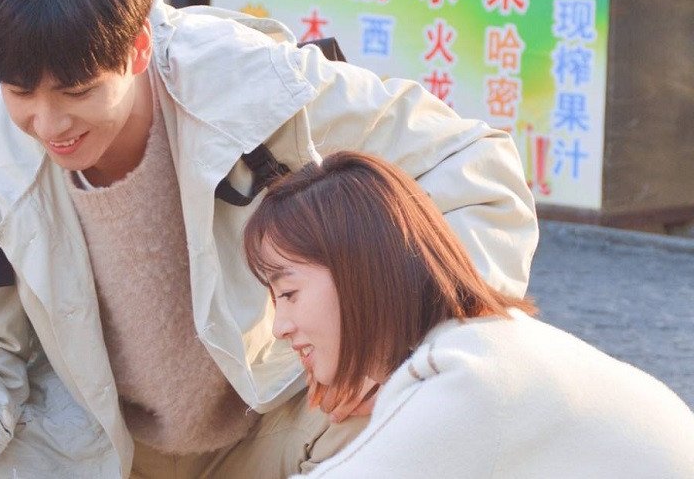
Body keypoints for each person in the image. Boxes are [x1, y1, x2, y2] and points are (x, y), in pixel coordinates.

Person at [0, 0, 539, 479]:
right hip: (91, 444)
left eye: (77, 92)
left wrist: (398, 344)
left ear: (137, 49)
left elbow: (471, 167)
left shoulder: (256, 86)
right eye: (20, 93)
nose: (49, 125)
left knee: (417, 413)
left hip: (289, 412)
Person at [243, 151, 694, 479]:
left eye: (289, 293)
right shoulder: (487, 343)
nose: (280, 327)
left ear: (357, 273)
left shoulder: (467, 377)